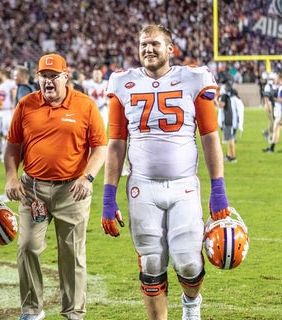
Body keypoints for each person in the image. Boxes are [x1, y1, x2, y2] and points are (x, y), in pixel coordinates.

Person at [102, 24, 233, 320]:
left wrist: (219, 189)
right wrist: (108, 199)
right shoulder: (123, 83)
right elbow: (115, 144)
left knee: (188, 263)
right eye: (143, 44)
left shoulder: (192, 78)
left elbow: (210, 136)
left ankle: (190, 304)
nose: (148, 49)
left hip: (184, 185)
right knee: (150, 264)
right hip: (142, 187)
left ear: (170, 49)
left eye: (154, 44)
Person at [3, 53, 108, 320]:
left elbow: (100, 147)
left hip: (72, 189)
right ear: (37, 78)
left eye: (53, 76)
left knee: (71, 253)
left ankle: (73, 313)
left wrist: (88, 177)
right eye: (43, 77)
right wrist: (11, 178)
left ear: (66, 76)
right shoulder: (26, 105)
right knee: (26, 246)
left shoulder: (84, 105)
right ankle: (31, 310)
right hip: (33, 189)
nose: (48, 82)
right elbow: (12, 146)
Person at [263, 73, 282, 153]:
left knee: (276, 128)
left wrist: (274, 99)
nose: (275, 80)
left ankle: (272, 148)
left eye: (276, 78)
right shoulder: (281, 88)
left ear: (280, 80)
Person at [217, 84, 238, 162]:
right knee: (230, 139)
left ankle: (232, 157)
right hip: (230, 119)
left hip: (227, 119)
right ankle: (230, 156)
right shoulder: (228, 96)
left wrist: (215, 100)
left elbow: (221, 105)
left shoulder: (224, 96)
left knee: (230, 139)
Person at [262, 73, 277, 143]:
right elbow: (266, 98)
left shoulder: (275, 86)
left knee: (275, 122)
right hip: (270, 105)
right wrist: (268, 106)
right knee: (272, 122)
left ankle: (266, 132)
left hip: (275, 106)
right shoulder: (268, 86)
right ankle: (270, 136)